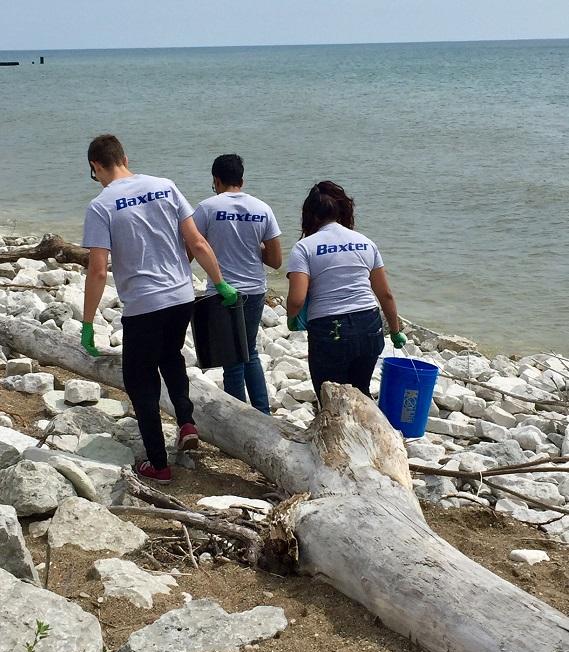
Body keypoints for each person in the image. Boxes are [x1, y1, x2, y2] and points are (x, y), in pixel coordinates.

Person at [81, 134, 238, 484]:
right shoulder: (165, 186)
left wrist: (88, 323)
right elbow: (196, 241)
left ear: (96, 166)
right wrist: (221, 282)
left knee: (139, 381)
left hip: (143, 304)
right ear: (124, 156)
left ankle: (159, 464)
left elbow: (97, 269)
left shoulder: (102, 205)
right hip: (181, 296)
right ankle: (186, 421)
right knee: (171, 355)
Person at [286, 181, 406, 404]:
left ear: (310, 215)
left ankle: (337, 437)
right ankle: (368, 435)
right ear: (343, 210)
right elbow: (385, 294)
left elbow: (296, 299)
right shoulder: (365, 243)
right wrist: (396, 331)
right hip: (369, 325)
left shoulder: (305, 247)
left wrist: (292, 318)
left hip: (330, 330)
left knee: (331, 399)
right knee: (360, 393)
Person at [192, 154, 282, 414]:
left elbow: (190, 248)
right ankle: (262, 413)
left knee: (232, 358)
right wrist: (253, 248)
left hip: (221, 290)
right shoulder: (263, 209)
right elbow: (276, 260)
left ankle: (238, 416)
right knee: (249, 351)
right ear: (241, 180)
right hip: (254, 289)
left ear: (216, 180)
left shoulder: (207, 208)